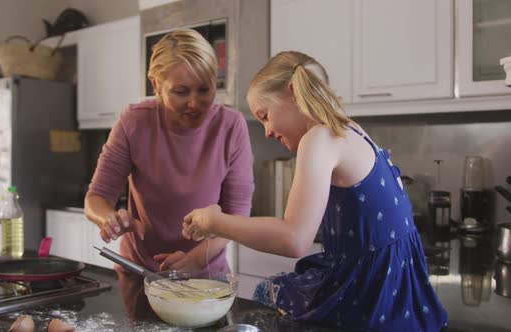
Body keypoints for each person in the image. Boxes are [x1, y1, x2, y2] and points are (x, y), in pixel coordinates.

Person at [182, 51, 448, 330]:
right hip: (399, 293)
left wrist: (216, 222)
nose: (267, 132)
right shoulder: (352, 130)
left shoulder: (319, 138)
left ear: (293, 92)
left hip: (368, 295)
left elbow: (293, 239)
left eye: (265, 116)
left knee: (267, 293)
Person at [85, 29, 254, 275]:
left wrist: (196, 259)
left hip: (205, 274)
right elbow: (96, 198)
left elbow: (237, 216)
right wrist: (109, 219)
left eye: (204, 89)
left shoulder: (231, 126)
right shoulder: (134, 122)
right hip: (139, 271)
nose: (194, 103)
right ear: (156, 85)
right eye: (181, 92)